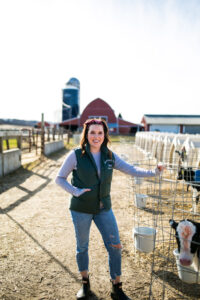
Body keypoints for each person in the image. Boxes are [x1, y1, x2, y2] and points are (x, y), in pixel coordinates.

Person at [55, 119, 164, 300]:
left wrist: (154, 172)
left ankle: (117, 288)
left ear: (105, 135)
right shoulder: (76, 155)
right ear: (86, 134)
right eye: (92, 133)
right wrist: (76, 191)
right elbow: (59, 178)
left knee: (115, 246)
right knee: (82, 247)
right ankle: (84, 285)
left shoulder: (109, 156)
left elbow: (130, 169)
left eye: (100, 133)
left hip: (103, 208)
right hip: (80, 209)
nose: (96, 136)